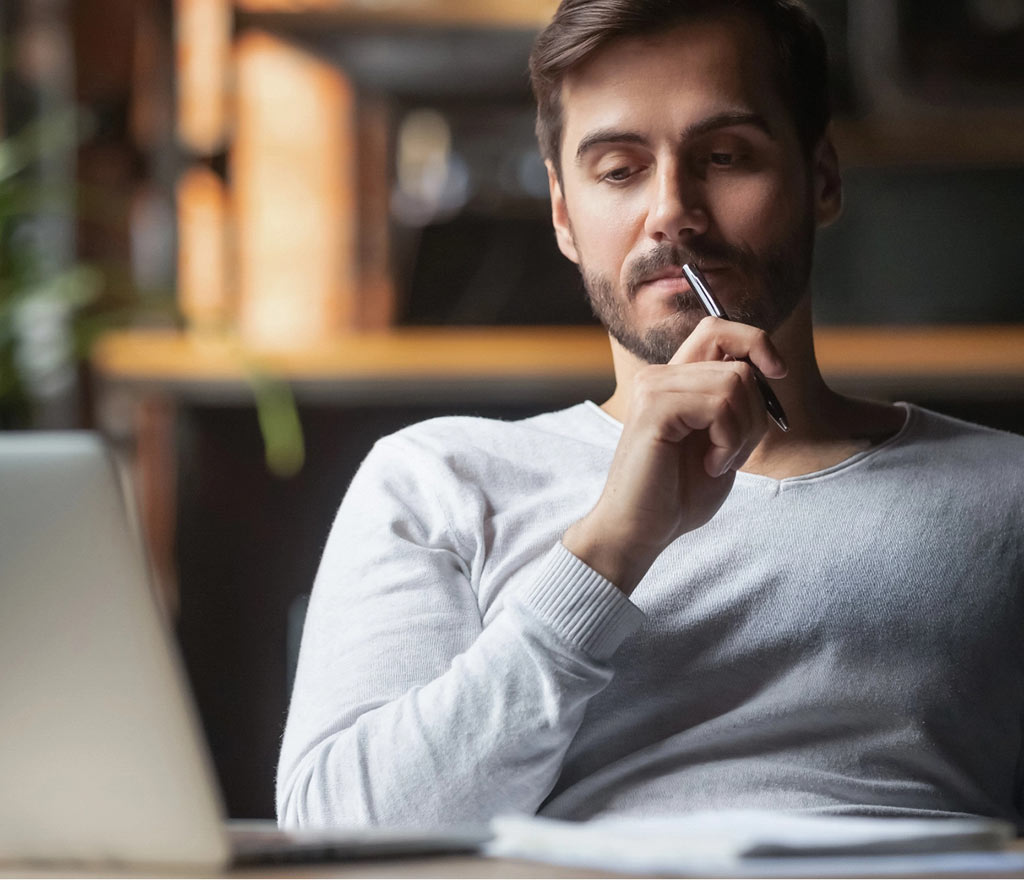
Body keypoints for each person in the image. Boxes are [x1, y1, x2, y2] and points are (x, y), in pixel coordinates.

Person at [277, 0, 1024, 829]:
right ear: (563, 213)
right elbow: (337, 833)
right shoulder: (438, 481)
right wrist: (607, 551)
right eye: (620, 170)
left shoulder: (1006, 495)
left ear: (822, 178)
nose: (672, 210)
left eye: (727, 155)